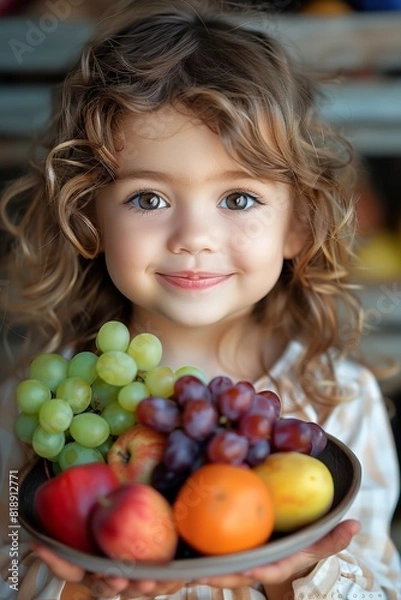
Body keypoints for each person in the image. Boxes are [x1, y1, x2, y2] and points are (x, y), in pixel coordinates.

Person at [0, 1, 400, 598]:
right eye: (148, 199)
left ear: (298, 225)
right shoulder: (42, 407)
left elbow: (381, 584)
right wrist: (81, 591)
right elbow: (9, 568)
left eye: (238, 199)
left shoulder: (340, 400)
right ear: (89, 217)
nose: (193, 238)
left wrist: (300, 576)